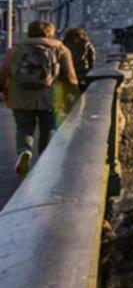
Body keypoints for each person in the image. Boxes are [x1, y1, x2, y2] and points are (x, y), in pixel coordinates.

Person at [0, 20, 78, 177]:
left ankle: (25, 152)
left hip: (20, 97)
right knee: (48, 128)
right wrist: (75, 94)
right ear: (50, 32)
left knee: (24, 128)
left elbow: (3, 73)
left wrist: (2, 89)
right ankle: (45, 162)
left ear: (29, 32)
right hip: (50, 97)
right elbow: (70, 77)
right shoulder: (61, 49)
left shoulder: (15, 50)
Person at [62, 28, 95, 92]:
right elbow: (91, 59)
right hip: (82, 72)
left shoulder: (63, 45)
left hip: (66, 74)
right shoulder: (86, 44)